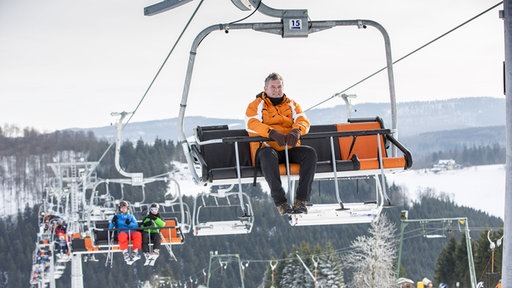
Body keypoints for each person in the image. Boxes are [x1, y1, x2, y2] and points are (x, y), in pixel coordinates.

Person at [245, 72, 317, 215]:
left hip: (288, 148)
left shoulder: (292, 105)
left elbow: (304, 121)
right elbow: (251, 123)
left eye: (279, 87)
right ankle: (281, 202)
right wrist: (271, 133)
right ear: (265, 89)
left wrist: (297, 131)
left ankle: (301, 200)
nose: (276, 90)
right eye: (273, 87)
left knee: (309, 154)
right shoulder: (257, 105)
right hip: (267, 148)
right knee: (267, 156)